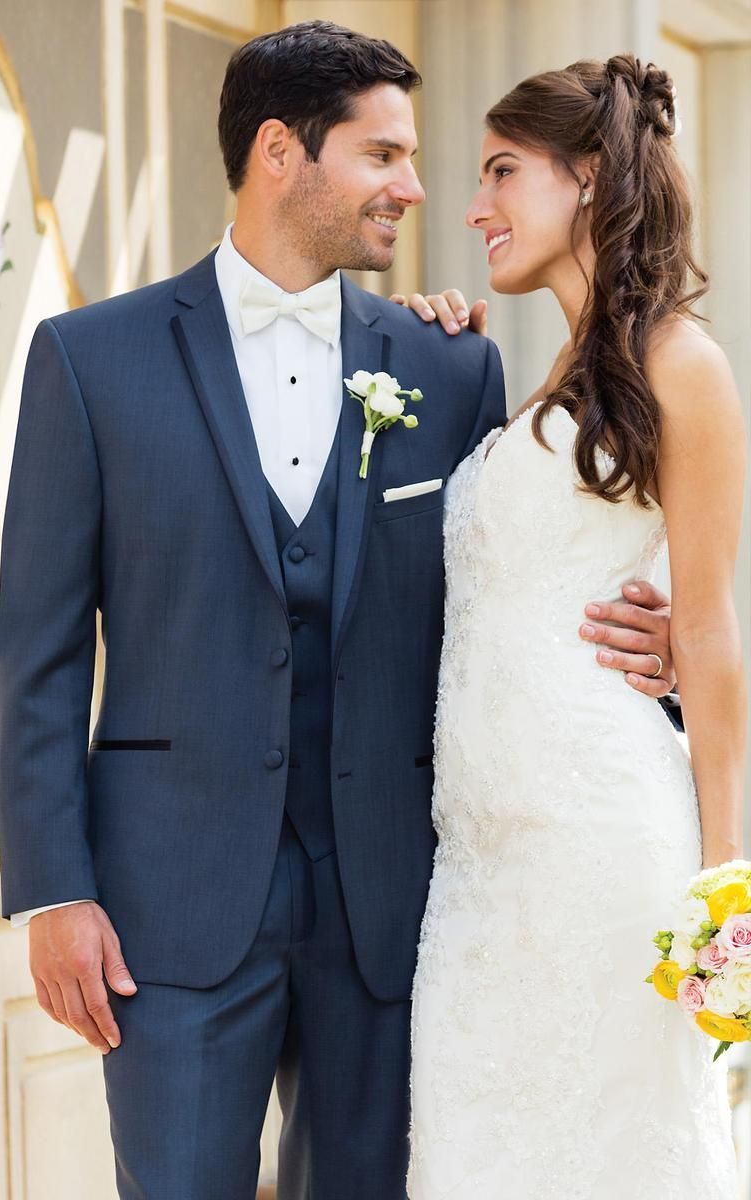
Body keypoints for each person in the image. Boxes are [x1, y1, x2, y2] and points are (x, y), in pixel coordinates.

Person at [0, 24, 675, 1199]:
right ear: (279, 151)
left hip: (392, 904)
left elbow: (496, 590)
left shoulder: (446, 366)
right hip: (168, 908)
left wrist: (652, 647)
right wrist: (56, 891)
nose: (415, 187)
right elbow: (38, 655)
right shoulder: (90, 361)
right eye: (382, 155)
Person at [402, 55, 745, 1198]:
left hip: (599, 844)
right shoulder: (539, 376)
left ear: (588, 175)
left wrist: (721, 885)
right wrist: (409, 342)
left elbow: (705, 630)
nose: (472, 206)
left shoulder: (680, 365)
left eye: (501, 171)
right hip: (478, 870)